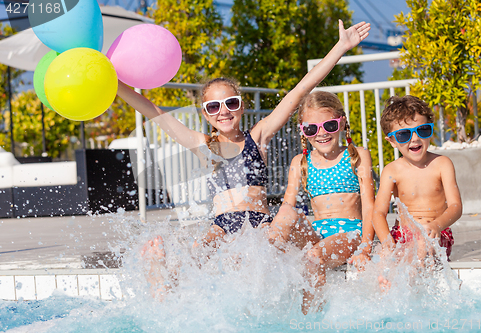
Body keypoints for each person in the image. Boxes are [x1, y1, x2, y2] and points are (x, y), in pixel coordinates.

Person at [118, 20, 371, 249]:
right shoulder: (202, 145)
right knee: (191, 252)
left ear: (242, 105)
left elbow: (300, 90)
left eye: (231, 103)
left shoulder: (258, 137)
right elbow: (154, 112)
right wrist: (115, 85)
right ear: (206, 115)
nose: (223, 112)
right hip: (220, 228)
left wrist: (340, 48)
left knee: (262, 246)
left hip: (259, 225)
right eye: (214, 107)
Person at [267, 91, 375, 315]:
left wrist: (365, 247)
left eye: (329, 125)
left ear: (342, 122)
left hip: (350, 233)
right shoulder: (300, 162)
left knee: (314, 257)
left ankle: (309, 322)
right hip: (317, 233)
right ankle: (265, 267)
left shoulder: (357, 156)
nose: (321, 133)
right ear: (303, 131)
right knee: (285, 214)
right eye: (311, 129)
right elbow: (287, 208)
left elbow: (370, 206)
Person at [372, 95, 462, 286]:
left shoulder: (441, 164)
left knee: (420, 244)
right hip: (402, 233)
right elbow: (378, 213)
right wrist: (388, 243)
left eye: (422, 130)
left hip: (435, 233)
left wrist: (437, 226)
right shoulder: (391, 170)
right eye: (404, 134)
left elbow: (455, 206)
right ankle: (385, 290)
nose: (415, 138)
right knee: (381, 252)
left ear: (430, 130)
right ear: (392, 141)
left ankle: (406, 287)